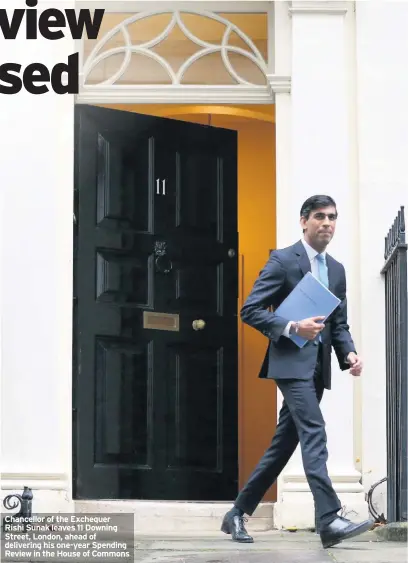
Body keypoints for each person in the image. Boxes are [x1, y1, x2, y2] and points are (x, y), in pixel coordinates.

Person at [221, 195, 373, 549]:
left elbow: (339, 324)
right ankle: (328, 517)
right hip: (290, 364)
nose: (327, 223)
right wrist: (292, 327)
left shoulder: (336, 269)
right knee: (314, 429)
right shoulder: (282, 260)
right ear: (303, 221)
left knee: (283, 444)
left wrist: (349, 353)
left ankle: (237, 514)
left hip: (317, 369)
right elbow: (251, 310)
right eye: (319, 216)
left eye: (332, 217)